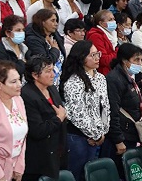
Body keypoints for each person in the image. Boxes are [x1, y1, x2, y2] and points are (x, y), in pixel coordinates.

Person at [59, 40, 109, 180]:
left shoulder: (100, 78)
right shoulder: (73, 81)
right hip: (78, 137)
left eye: (97, 54)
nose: (97, 58)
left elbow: (105, 107)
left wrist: (102, 132)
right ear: (81, 58)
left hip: (98, 135)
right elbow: (77, 114)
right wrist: (94, 135)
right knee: (77, 174)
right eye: (92, 55)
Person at [103, 43, 142, 179]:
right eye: (136, 60)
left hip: (135, 132)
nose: (139, 63)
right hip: (122, 135)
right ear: (124, 60)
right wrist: (118, 140)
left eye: (141, 60)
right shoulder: (114, 79)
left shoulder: (137, 77)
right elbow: (113, 111)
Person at [20, 56, 67, 181]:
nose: (53, 74)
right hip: (39, 158)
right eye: (48, 71)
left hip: (56, 152)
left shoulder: (51, 88)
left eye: (53, 70)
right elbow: (37, 130)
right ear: (35, 75)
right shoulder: (27, 95)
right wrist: (59, 118)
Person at [24, 9, 65, 85]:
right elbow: (45, 62)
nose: (56, 24)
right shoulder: (33, 40)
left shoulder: (54, 35)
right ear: (43, 22)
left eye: (56, 21)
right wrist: (55, 50)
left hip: (60, 79)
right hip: (46, 81)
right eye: (52, 21)